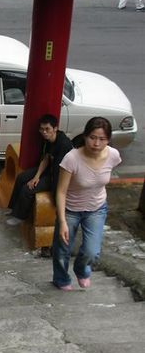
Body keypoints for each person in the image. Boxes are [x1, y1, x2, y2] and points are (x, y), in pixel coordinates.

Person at [52, 117, 121, 291]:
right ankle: (61, 278)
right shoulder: (71, 159)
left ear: (108, 139)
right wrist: (62, 222)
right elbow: (61, 191)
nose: (96, 143)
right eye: (92, 137)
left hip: (96, 209)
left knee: (92, 252)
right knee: (62, 249)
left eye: (102, 139)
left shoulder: (113, 155)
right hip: (70, 209)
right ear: (85, 136)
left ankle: (81, 270)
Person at [6, 114, 73, 226]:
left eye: (47, 129)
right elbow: (46, 158)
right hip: (49, 169)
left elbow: (59, 172)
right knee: (21, 177)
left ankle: (20, 216)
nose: (44, 132)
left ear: (55, 128)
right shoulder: (48, 140)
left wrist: (56, 194)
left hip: (58, 175)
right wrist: (36, 177)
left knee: (27, 188)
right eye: (42, 129)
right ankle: (13, 209)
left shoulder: (63, 144)